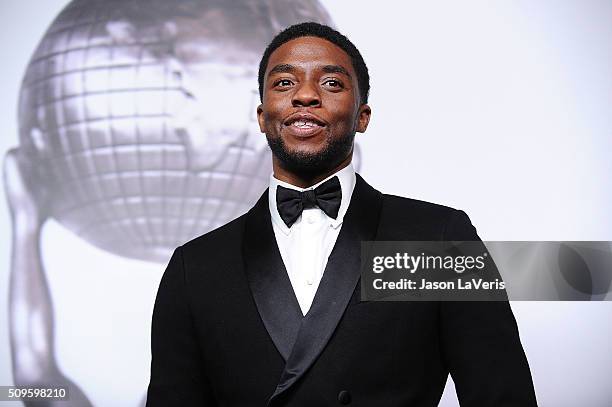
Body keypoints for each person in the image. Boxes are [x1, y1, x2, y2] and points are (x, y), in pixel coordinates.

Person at [146, 22, 537, 406]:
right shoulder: (195, 266)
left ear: (362, 116)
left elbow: (502, 395)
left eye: (331, 83)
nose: (306, 95)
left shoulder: (436, 239)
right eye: (284, 83)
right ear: (263, 115)